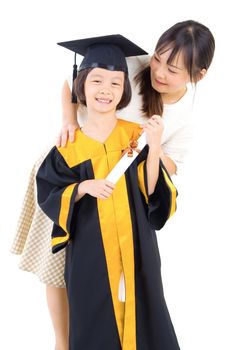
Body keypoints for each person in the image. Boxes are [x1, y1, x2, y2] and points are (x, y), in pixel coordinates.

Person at [11, 20, 215, 350]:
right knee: (57, 265)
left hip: (123, 184)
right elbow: (71, 84)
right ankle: (63, 343)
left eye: (172, 69)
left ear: (197, 75)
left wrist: (150, 145)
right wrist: (67, 122)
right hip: (74, 162)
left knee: (122, 274)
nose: (159, 72)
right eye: (159, 59)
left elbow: (166, 173)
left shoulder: (183, 121)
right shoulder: (131, 63)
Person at [36, 34, 179, 349]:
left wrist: (154, 148)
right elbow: (48, 192)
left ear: (125, 91)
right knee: (91, 311)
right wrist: (82, 187)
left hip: (137, 244)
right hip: (89, 249)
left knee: (146, 309)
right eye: (97, 80)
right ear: (81, 85)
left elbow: (152, 193)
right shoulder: (68, 146)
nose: (106, 90)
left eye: (116, 83)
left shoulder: (136, 136)